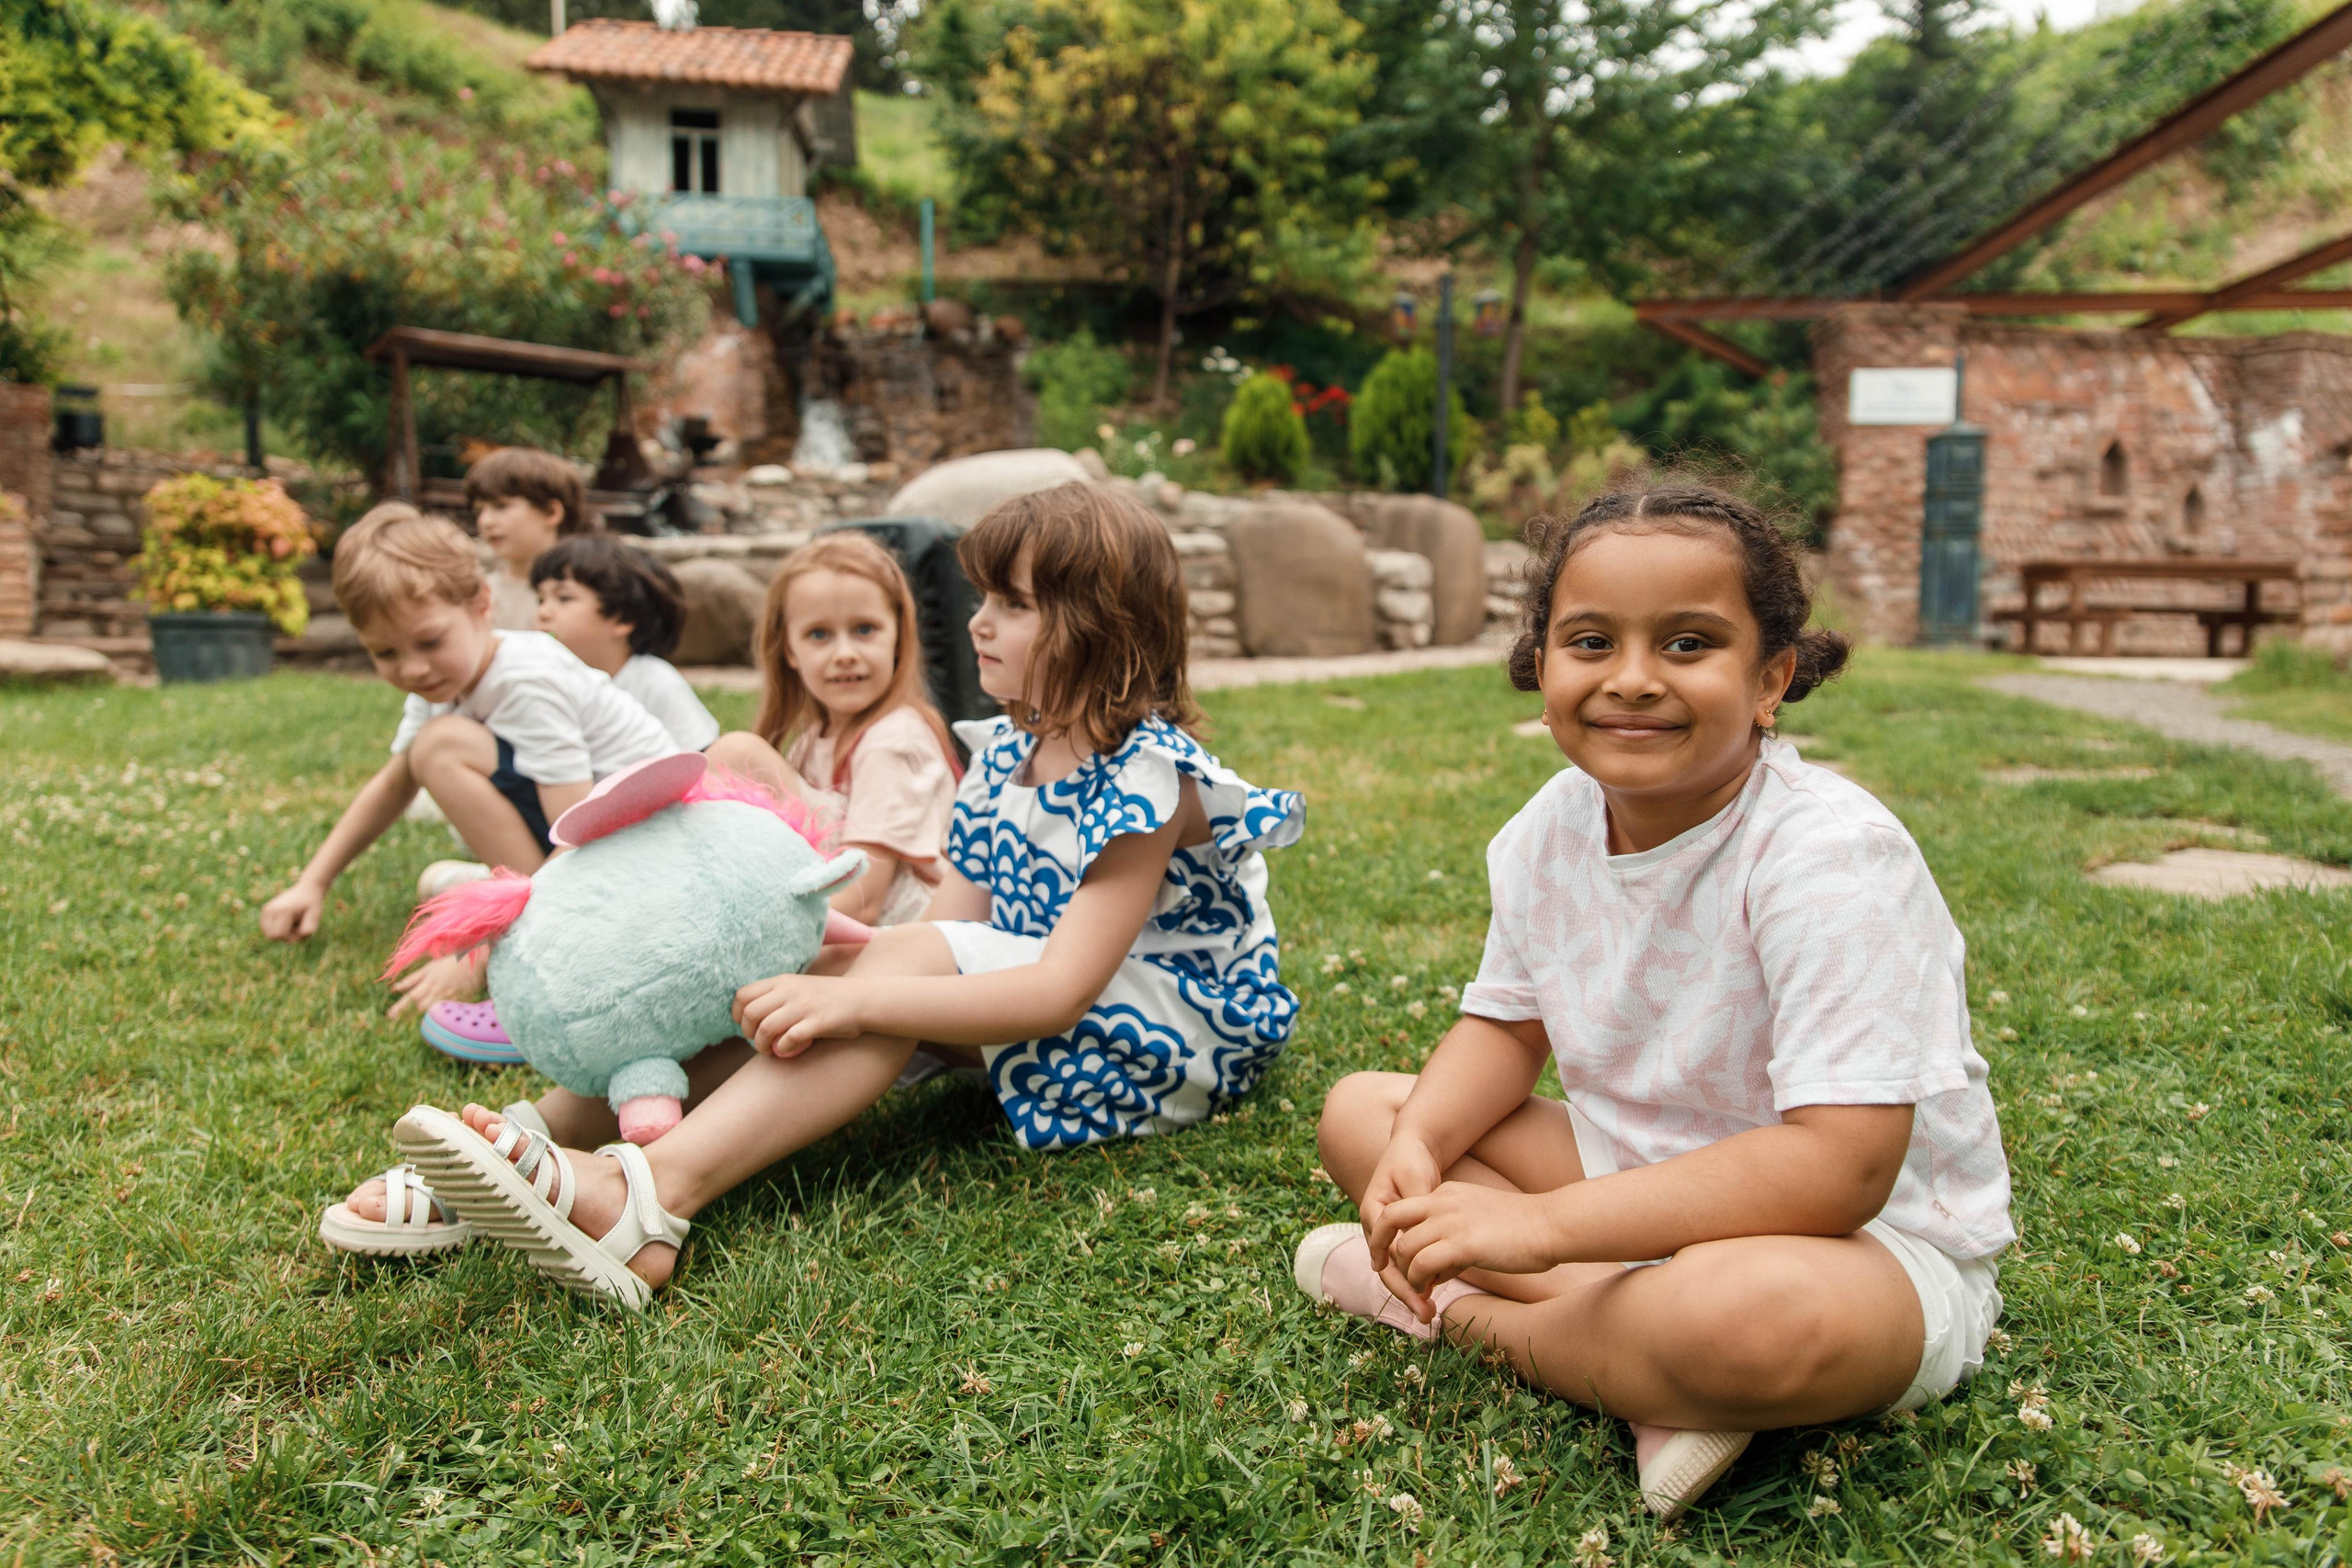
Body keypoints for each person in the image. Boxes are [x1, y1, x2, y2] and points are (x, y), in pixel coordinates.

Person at [384, 482, 1305, 1311]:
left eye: (1014, 606)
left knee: (868, 988)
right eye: (983, 598)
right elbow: (952, 924)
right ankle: (516, 1146)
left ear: (1105, 629)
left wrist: (862, 996)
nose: (978, 623)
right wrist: (839, 978)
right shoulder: (1006, 753)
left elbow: (1060, 988)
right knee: (828, 967)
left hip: (1167, 1031)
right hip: (1039, 992)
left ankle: (649, 1198)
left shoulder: (1150, 783)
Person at [1295, 484, 2013, 1522]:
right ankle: (1640, 1362)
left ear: (1770, 679)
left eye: (1686, 644)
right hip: (1632, 1179)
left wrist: (1545, 1231)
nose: (1631, 680)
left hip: (1866, 1244)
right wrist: (1421, 1143)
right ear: (1540, 668)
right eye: (1590, 642)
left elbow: (1841, 1167)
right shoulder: (1550, 828)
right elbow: (1504, 1026)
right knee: (1366, 1113)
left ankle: (1451, 1312)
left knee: (1750, 1322)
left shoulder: (1828, 858)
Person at [257, 504, 677, 1016]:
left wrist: (480, 947)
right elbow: (395, 785)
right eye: (385, 653)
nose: (412, 667)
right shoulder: (443, 681)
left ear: (483, 604)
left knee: (440, 746)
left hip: (643, 847)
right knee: (431, 748)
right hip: (588, 840)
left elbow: (577, 830)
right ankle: (519, 903)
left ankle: (529, 926)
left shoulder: (524, 679)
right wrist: (313, 882)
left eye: (430, 641)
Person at [702, 532, 960, 927]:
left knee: (737, 753)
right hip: (837, 919)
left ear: (898, 637)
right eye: (819, 634)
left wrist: (763, 939)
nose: (845, 654)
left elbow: (862, 901)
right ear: (789, 650)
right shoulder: (810, 741)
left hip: (901, 934)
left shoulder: (894, 739)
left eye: (864, 629)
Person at [530, 535, 720, 752]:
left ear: (622, 619)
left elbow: (704, 760)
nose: (543, 612)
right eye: (540, 600)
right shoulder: (547, 678)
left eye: (564, 598)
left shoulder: (654, 682)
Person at [466, 446, 589, 631]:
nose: (485, 521)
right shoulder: (476, 594)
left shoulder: (587, 592)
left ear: (551, 512)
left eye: (501, 506)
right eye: (479, 510)